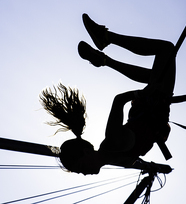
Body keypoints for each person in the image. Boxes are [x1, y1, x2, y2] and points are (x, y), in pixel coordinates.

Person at [40, 14, 176, 175]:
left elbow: (118, 100)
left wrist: (141, 94)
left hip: (154, 105)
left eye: (82, 168)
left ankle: (106, 38)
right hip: (154, 110)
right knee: (154, 75)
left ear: (86, 152)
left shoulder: (113, 141)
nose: (84, 173)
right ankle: (104, 59)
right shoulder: (115, 158)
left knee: (166, 49)